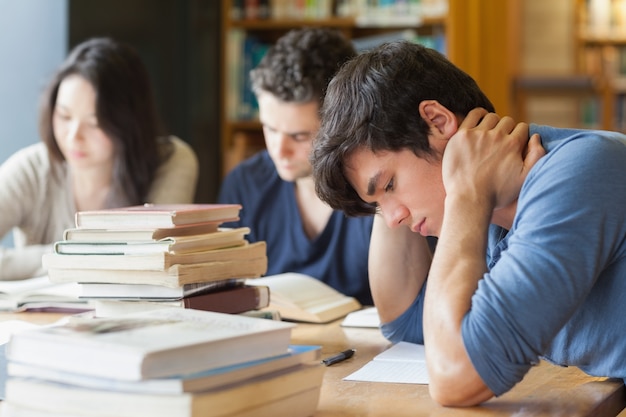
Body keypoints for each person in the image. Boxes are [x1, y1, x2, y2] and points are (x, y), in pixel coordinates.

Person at [311, 40, 626, 406]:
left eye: (390, 185)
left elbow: (456, 379)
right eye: (379, 204)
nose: (393, 218)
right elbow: (409, 324)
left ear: (438, 121)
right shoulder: (491, 219)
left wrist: (466, 195)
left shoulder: (578, 173)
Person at [0, 37, 199, 281]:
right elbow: (122, 260)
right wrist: (71, 257)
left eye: (94, 124)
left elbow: (154, 259)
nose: (74, 137)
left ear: (128, 124)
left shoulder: (172, 161)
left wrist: (55, 260)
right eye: (64, 116)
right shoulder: (32, 169)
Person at [217, 28, 374, 305]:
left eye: (299, 136)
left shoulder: (377, 187)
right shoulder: (244, 185)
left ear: (342, 123)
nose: (278, 150)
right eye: (270, 128)